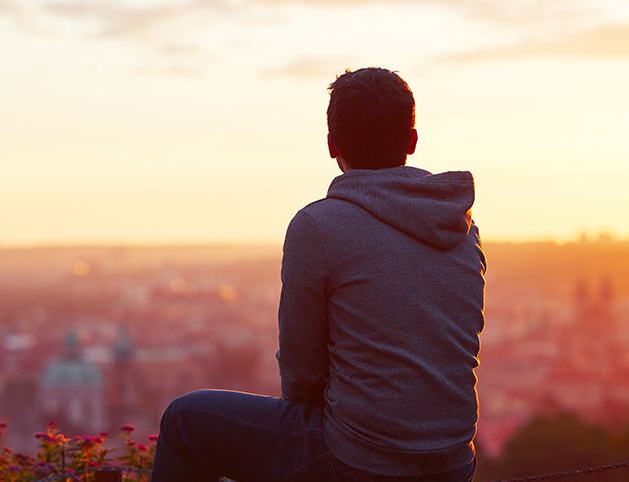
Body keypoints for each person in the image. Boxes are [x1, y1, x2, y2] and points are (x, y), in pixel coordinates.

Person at [150, 67, 486, 482]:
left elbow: (300, 375)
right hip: (453, 465)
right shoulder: (461, 227)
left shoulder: (320, 227)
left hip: (361, 462)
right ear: (412, 141)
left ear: (331, 145)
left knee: (184, 420)